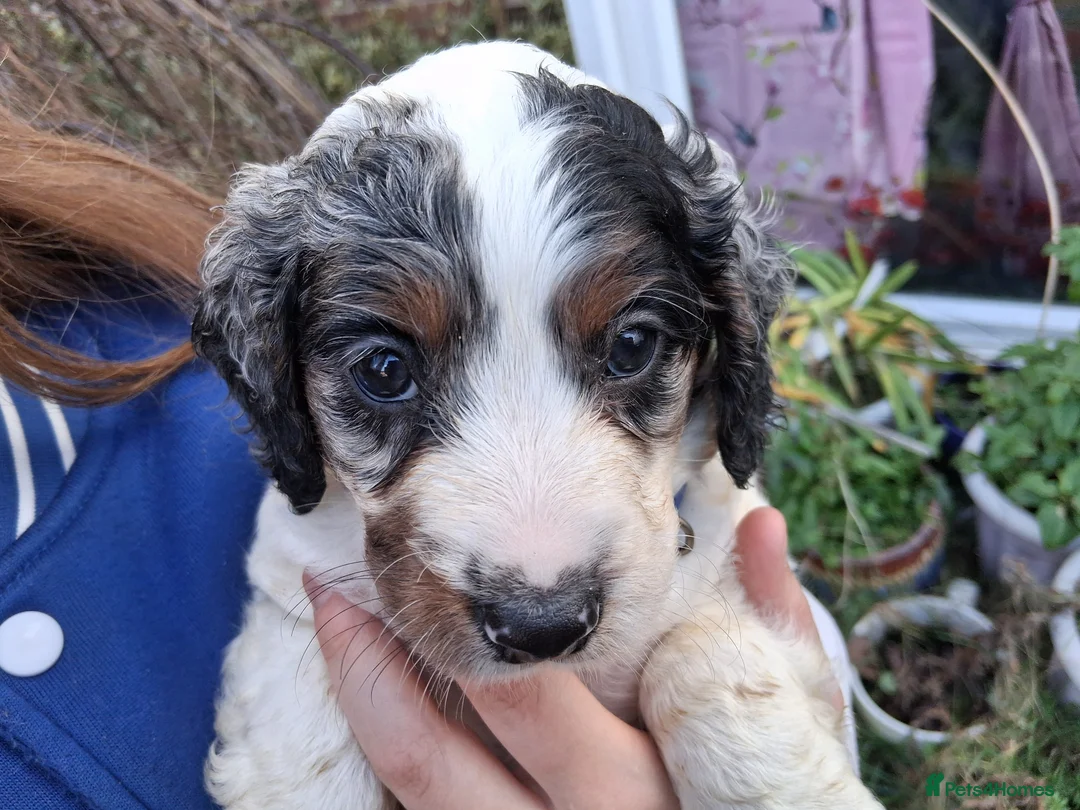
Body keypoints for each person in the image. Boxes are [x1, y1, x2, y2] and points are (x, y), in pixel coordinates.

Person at [0, 110, 834, 810]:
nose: (535, 577)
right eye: (386, 373)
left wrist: (737, 707)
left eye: (631, 347)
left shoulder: (113, 279)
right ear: (275, 378)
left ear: (727, 338)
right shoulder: (297, 481)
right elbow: (294, 611)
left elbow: (774, 600)